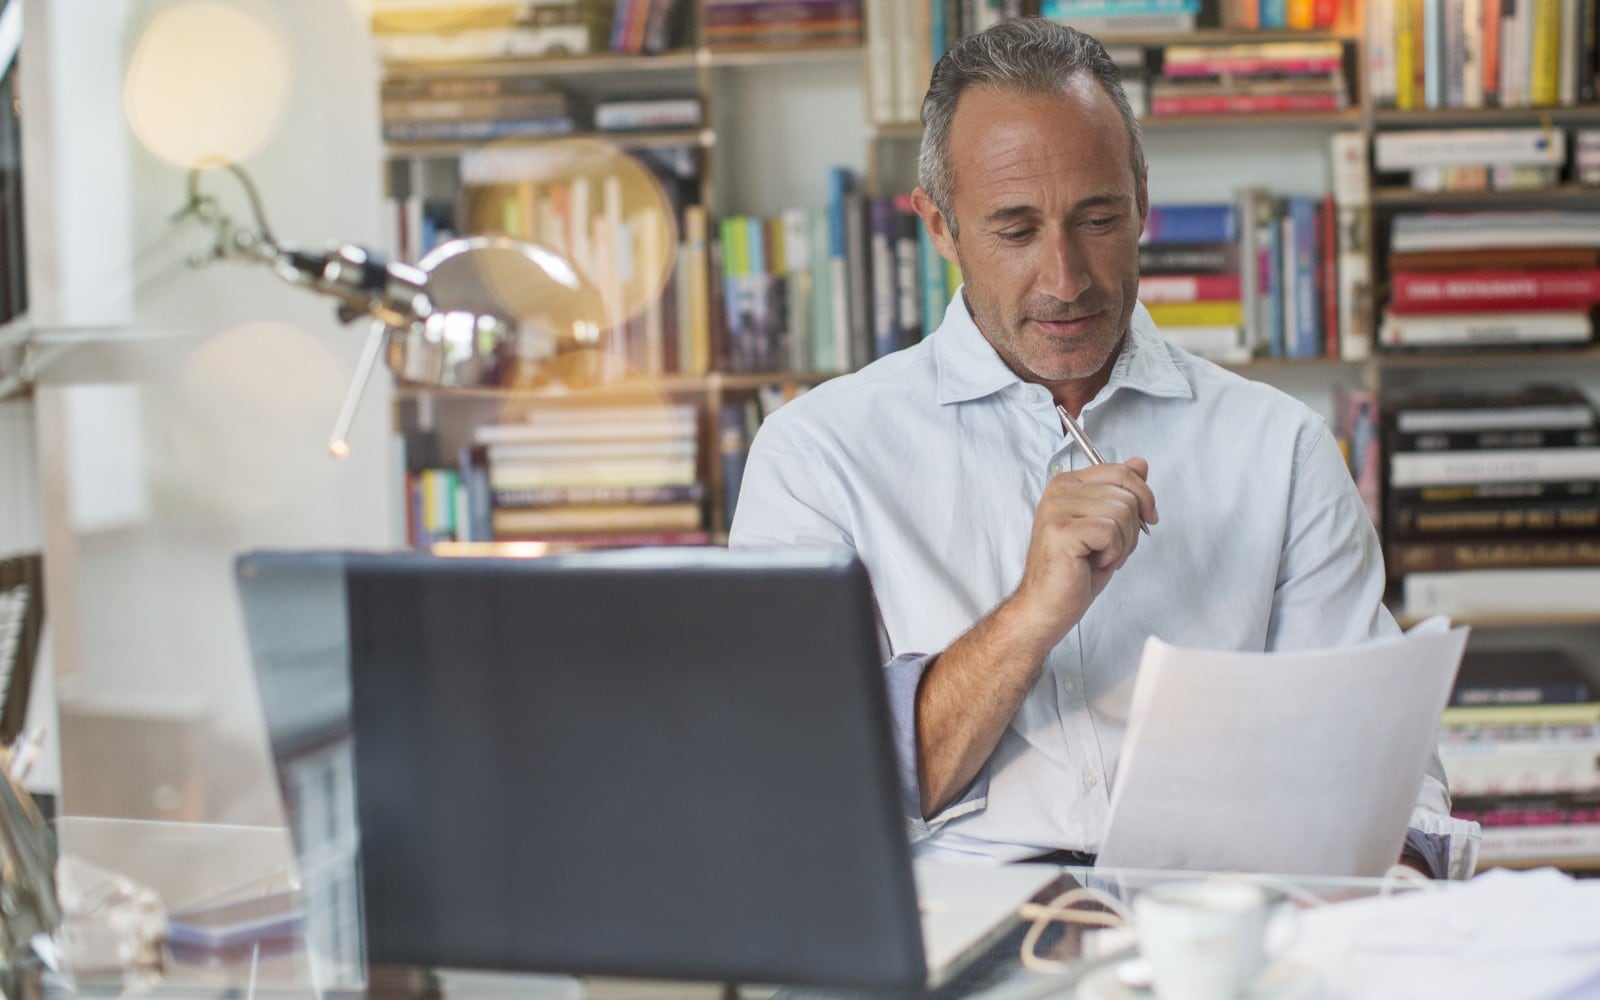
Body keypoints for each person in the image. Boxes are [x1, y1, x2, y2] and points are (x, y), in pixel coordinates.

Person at [729, 17, 1471, 878]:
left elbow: (1386, 777)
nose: (1066, 278)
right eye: (1014, 230)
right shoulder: (815, 456)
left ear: (1143, 200)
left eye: (1097, 218)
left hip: (1221, 932)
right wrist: (1031, 616)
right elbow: (805, 791)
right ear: (940, 227)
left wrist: (1389, 896)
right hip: (949, 942)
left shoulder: (1283, 449)